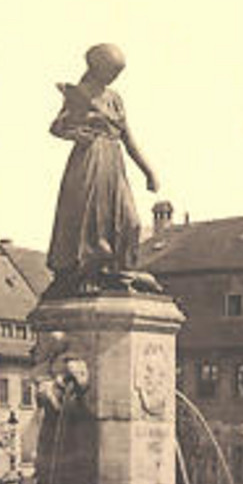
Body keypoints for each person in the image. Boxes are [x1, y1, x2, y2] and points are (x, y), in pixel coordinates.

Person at [45, 43, 163, 299]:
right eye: (112, 70)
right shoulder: (78, 93)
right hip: (89, 161)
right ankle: (87, 274)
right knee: (91, 223)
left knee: (130, 222)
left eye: (117, 72)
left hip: (114, 162)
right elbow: (56, 127)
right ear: (97, 67)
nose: (114, 76)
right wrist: (79, 131)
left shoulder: (114, 99)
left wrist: (148, 171)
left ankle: (118, 271)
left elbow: (128, 138)